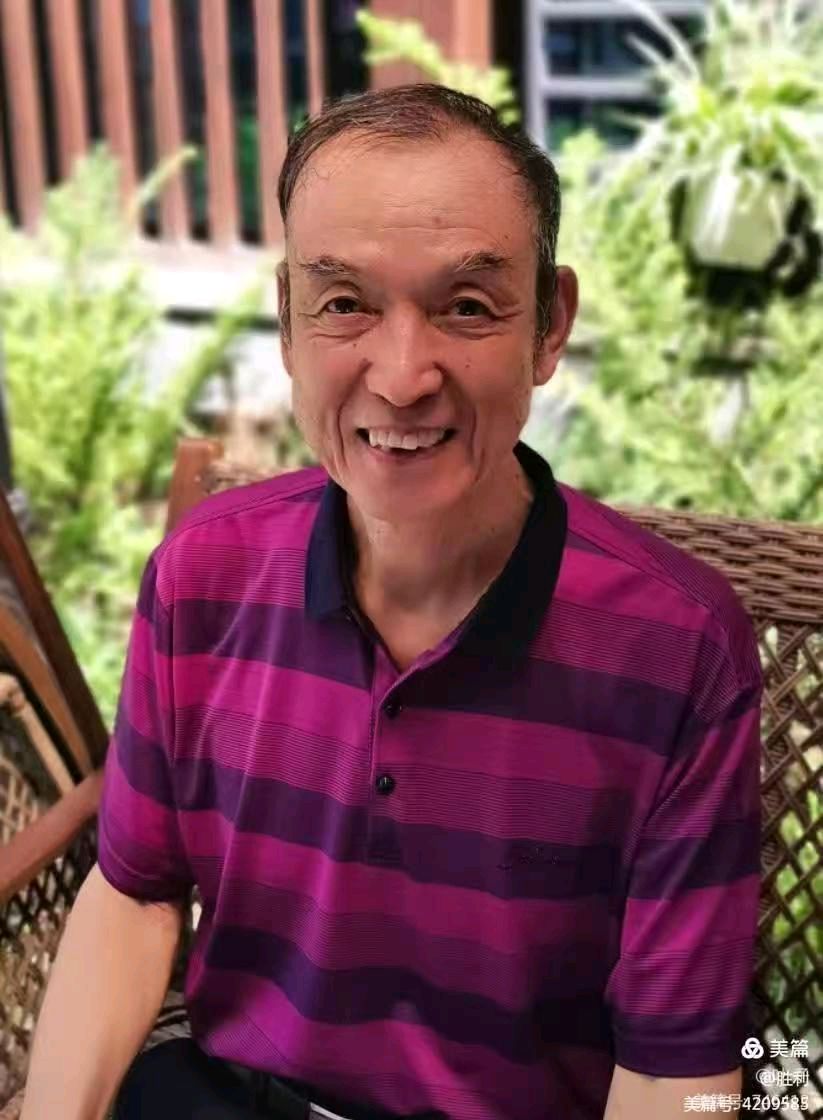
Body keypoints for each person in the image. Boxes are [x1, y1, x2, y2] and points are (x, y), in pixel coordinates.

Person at [20, 84, 762, 1120]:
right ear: (288, 322)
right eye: (344, 304)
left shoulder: (679, 648)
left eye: (466, 306)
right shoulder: (200, 576)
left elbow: (676, 1068)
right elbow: (137, 885)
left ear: (548, 325)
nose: (404, 376)